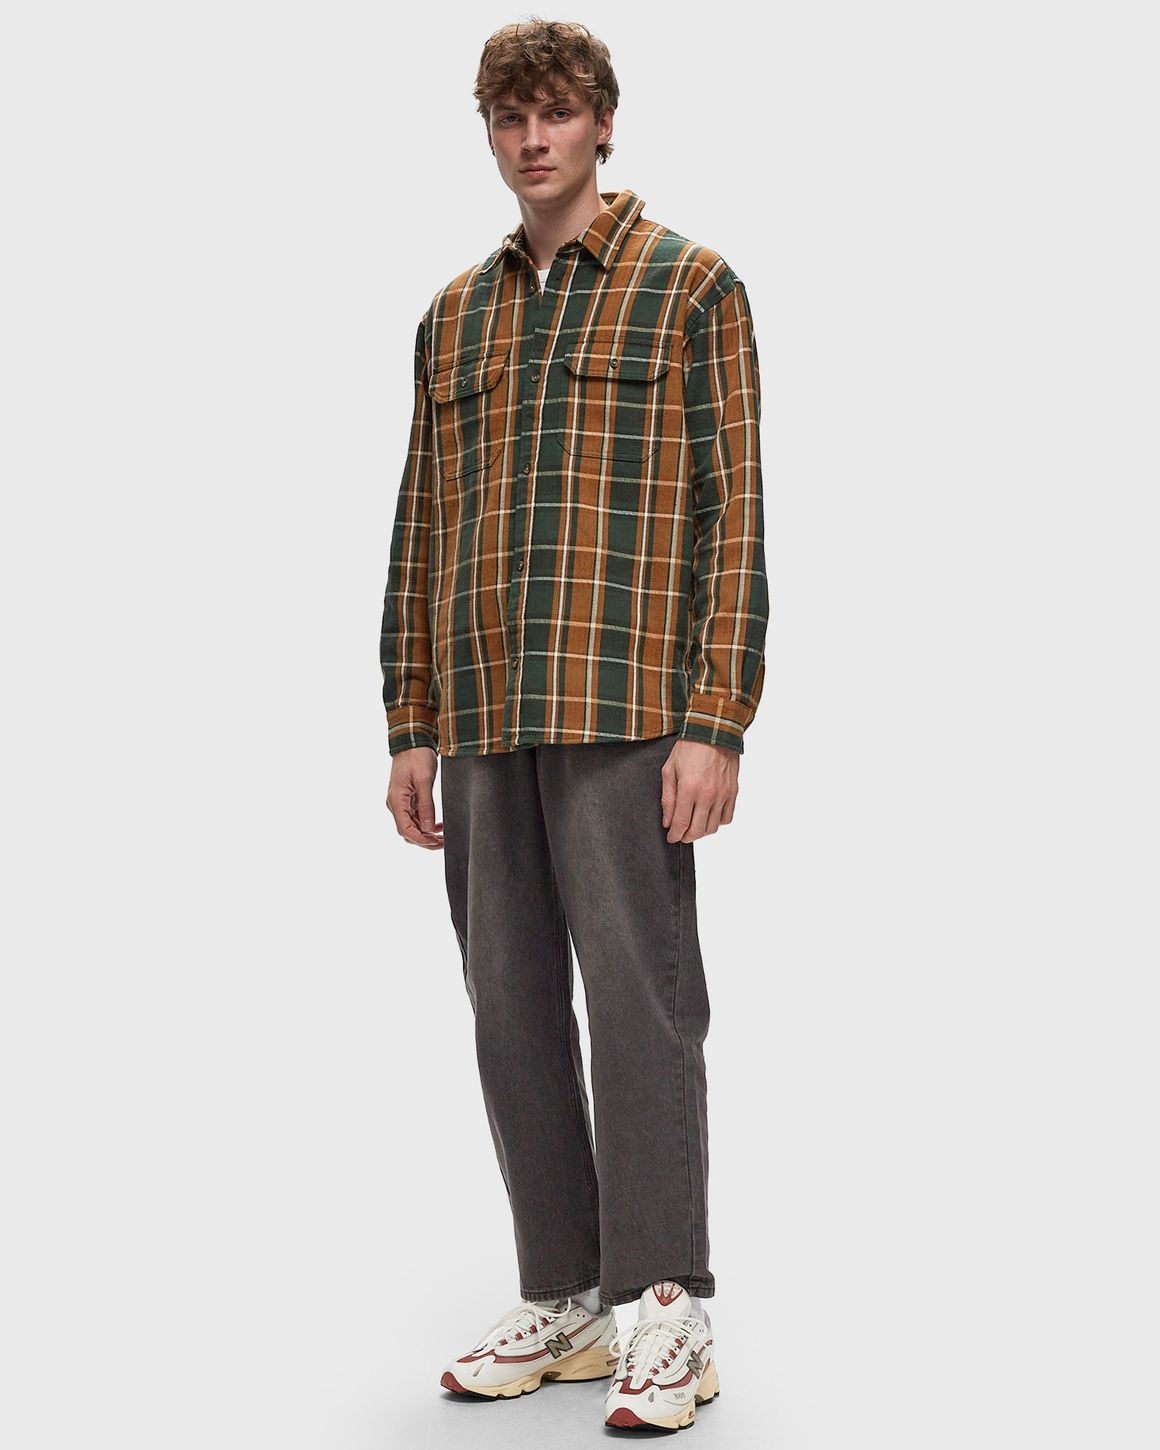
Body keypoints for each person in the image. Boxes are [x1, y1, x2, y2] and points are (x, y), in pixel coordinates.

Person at [379, 17, 768, 1434]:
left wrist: (717, 718)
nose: (532, 138)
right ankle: (565, 1289)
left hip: (626, 706)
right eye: (508, 117)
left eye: (555, 112)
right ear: (489, 134)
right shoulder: (454, 316)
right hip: (483, 710)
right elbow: (423, 521)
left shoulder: (692, 286)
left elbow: (735, 515)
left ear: (604, 121)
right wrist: (409, 717)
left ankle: (666, 1302)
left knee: (642, 999)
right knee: (510, 1005)